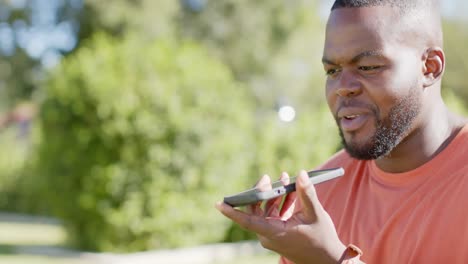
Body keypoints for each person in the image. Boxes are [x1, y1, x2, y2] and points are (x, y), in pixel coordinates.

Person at [216, 0, 468, 263]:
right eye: (332, 71)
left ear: (429, 67)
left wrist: (332, 259)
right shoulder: (320, 201)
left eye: (368, 67)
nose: (342, 87)